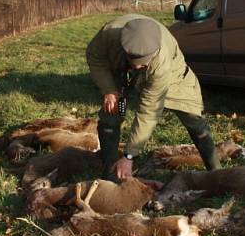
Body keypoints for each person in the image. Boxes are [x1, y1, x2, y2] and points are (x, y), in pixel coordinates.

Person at [86, 14, 220, 180]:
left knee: (193, 117)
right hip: (120, 67)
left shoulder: (161, 64)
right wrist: (109, 90)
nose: (141, 67)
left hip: (173, 76)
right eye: (138, 63)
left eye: (144, 63)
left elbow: (148, 112)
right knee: (110, 113)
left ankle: (217, 173)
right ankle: (110, 170)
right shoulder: (109, 34)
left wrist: (129, 156)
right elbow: (95, 57)